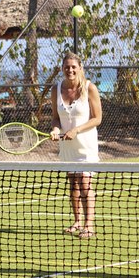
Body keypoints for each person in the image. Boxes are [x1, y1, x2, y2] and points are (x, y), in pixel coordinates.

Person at [49, 52, 103, 239]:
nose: (70, 70)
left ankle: (89, 225)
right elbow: (56, 118)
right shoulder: (56, 89)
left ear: (80, 68)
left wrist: (76, 130)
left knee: (85, 184)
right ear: (62, 68)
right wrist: (55, 130)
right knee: (73, 185)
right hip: (67, 147)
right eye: (67, 66)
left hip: (86, 146)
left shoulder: (90, 88)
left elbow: (97, 119)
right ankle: (77, 221)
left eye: (73, 67)